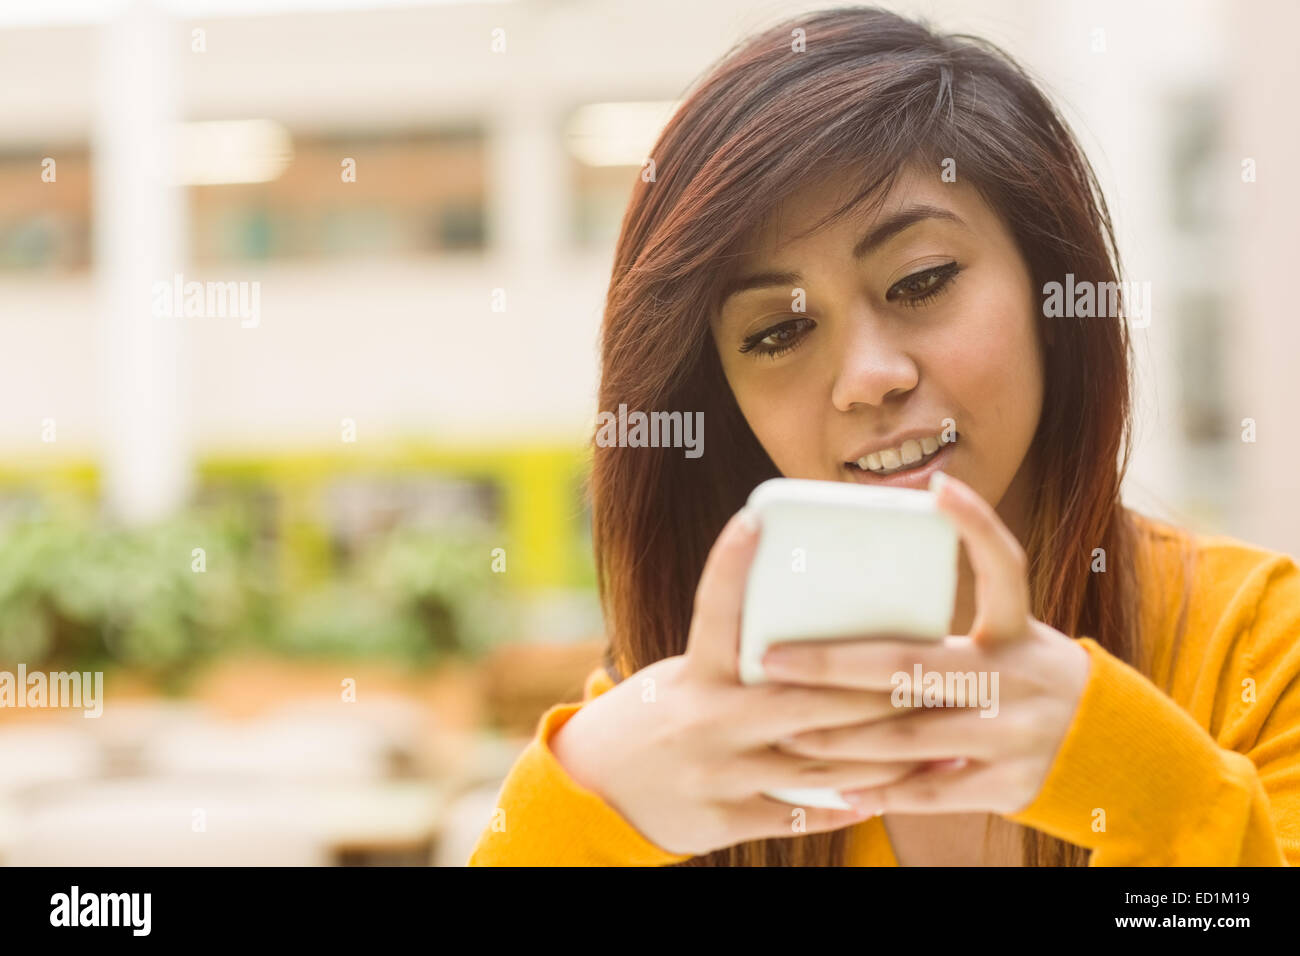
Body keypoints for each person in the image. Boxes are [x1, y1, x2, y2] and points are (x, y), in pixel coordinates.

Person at [469, 6, 1299, 866]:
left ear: (1052, 297)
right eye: (778, 335)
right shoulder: (683, 734)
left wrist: (1129, 773)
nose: (869, 377)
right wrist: (582, 797)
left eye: (922, 280)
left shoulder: (1260, 650)